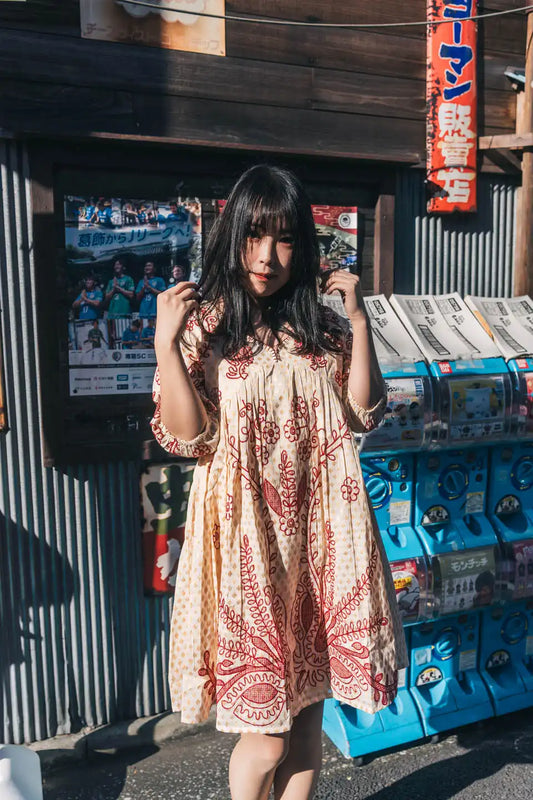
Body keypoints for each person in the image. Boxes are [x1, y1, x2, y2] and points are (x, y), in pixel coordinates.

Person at [151, 166, 407, 800]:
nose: (267, 256)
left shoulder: (325, 329)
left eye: (285, 238)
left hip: (324, 534)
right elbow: (188, 438)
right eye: (254, 236)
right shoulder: (205, 327)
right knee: (265, 733)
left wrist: (363, 326)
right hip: (246, 539)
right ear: (232, 234)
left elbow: (362, 412)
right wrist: (164, 345)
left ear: (305, 246)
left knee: (309, 722)